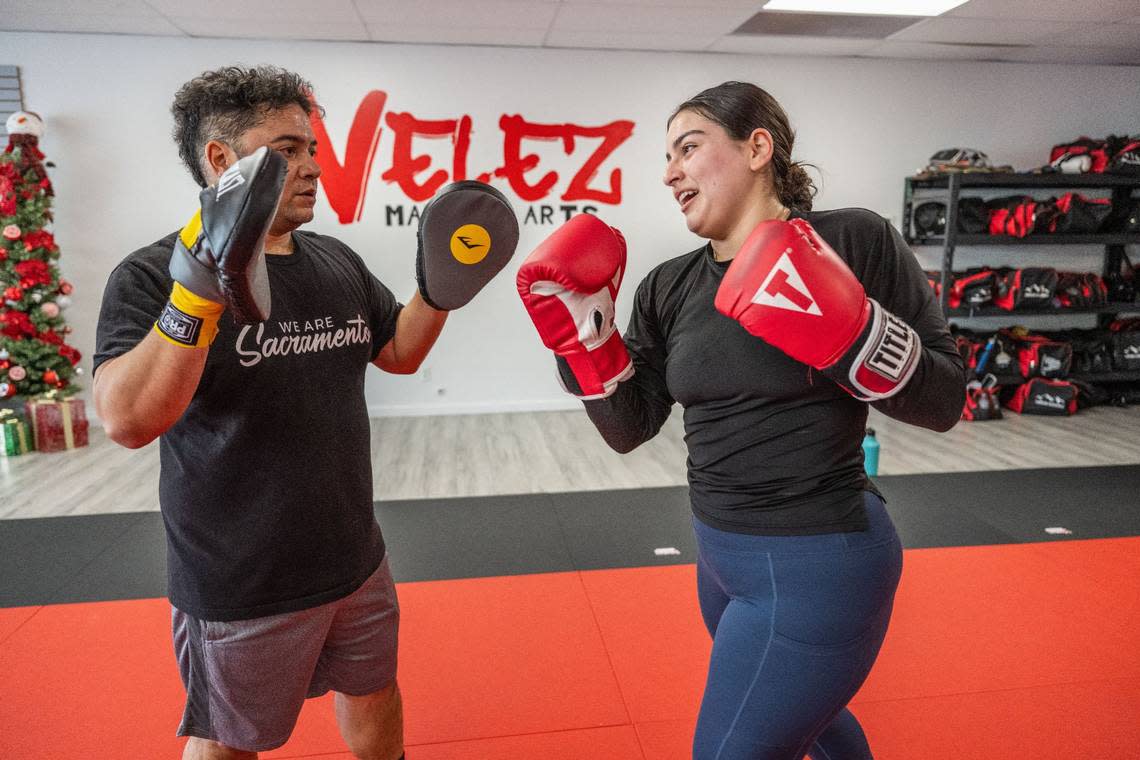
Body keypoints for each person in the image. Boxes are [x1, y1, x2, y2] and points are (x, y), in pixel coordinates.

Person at [516, 81, 965, 760]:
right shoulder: (669, 284)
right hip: (721, 559)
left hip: (822, 561)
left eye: (688, 148)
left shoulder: (853, 239)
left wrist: (857, 339)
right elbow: (628, 427)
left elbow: (946, 400)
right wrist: (584, 344)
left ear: (758, 147)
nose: (670, 172)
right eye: (666, 156)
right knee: (811, 722)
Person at [93, 65, 516, 760]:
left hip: (355, 558)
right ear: (222, 160)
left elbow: (397, 351)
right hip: (243, 579)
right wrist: (199, 288)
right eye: (288, 151)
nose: (314, 167)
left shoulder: (334, 261)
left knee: (376, 691)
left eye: (313, 148)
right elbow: (129, 420)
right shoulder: (149, 275)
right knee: (227, 739)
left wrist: (438, 292)